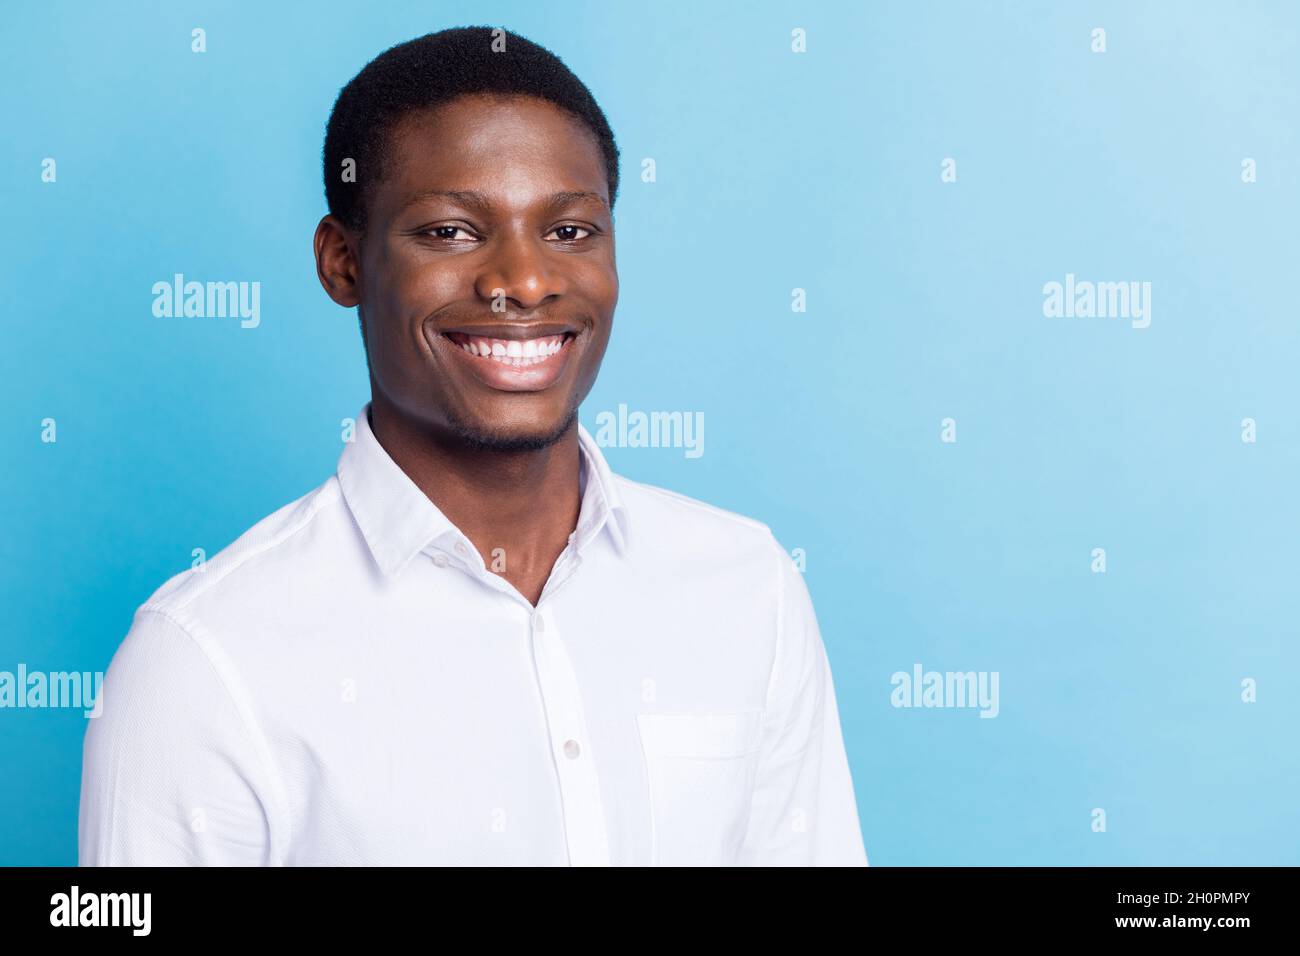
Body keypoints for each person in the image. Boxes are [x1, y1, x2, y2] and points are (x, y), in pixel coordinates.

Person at [78, 26, 868, 866]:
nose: (524, 282)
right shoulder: (204, 661)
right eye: (452, 231)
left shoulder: (748, 590)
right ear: (343, 263)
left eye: (569, 231)